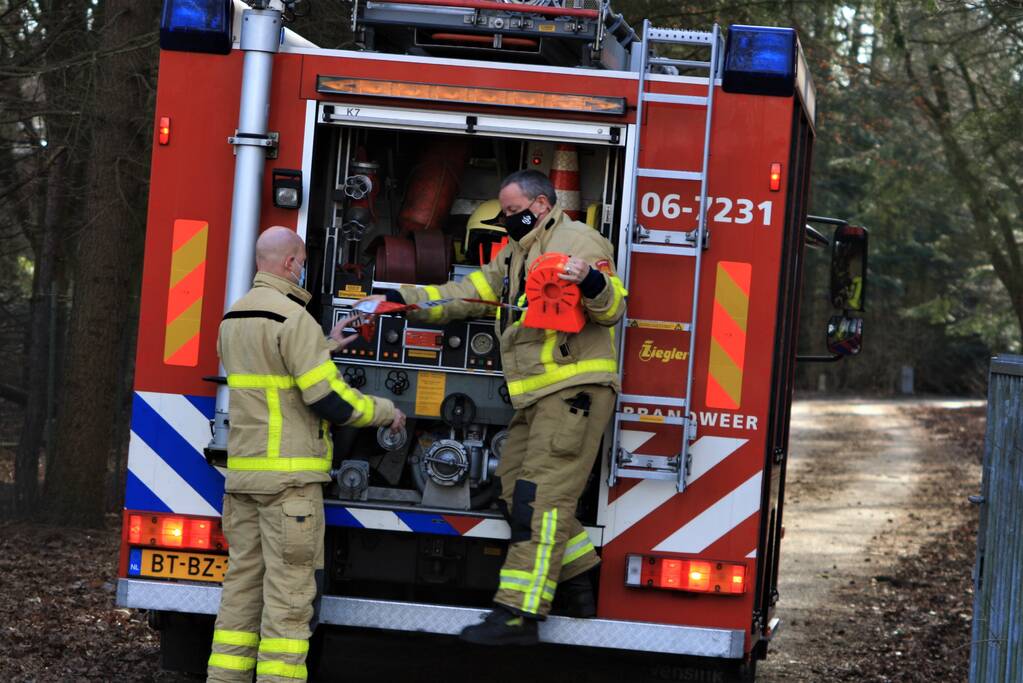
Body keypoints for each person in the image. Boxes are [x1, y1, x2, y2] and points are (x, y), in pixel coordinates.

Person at [360, 170, 626, 645]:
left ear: (541, 204)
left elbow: (611, 308)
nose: (506, 219)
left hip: (575, 393)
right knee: (510, 489)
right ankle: (578, 579)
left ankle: (518, 613)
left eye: (510, 210)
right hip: (539, 395)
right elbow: (470, 294)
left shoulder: (579, 242)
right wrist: (403, 300)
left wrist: (587, 281)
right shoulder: (518, 252)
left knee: (540, 502)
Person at [208, 226, 405, 682]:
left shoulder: (233, 317)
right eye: (301, 260)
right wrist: (384, 411)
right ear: (291, 263)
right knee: (289, 606)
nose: (303, 268)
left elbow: (274, 370)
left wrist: (327, 344)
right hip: (289, 488)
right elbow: (328, 400)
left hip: (243, 481)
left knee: (239, 595)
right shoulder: (294, 320)